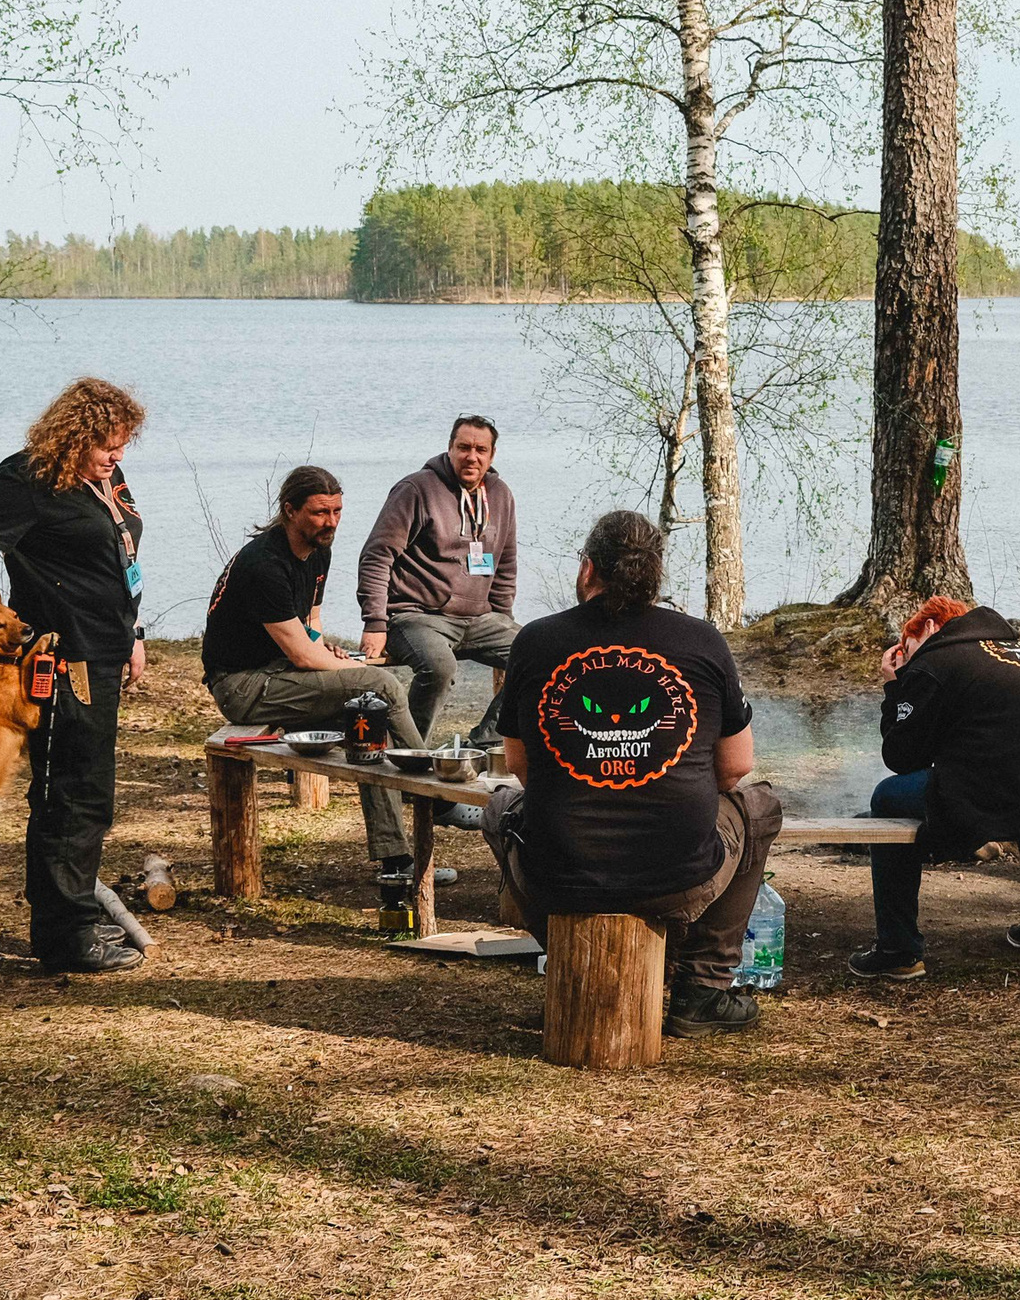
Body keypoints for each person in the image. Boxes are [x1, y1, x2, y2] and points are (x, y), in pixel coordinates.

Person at [482, 510, 783, 1038]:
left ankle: (564, 950)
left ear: (588, 569)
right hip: (679, 879)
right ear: (655, 573)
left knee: (497, 810)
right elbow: (736, 768)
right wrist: (666, 786)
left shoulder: (536, 640)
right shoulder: (702, 640)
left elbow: (519, 766)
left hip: (558, 878)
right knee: (758, 806)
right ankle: (703, 988)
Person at [0, 377, 149, 975]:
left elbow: (121, 554)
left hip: (106, 649)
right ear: (75, 433)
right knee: (70, 791)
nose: (118, 455)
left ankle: (77, 910)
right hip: (60, 660)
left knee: (93, 790)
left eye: (124, 444)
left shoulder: (105, 478)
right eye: (108, 443)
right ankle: (64, 936)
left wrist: (133, 632)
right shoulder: (28, 478)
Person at [846, 598, 1020, 981]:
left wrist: (894, 686)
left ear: (929, 628)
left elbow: (901, 756)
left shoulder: (936, 660)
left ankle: (898, 948)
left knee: (887, 798)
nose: (906, 659)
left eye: (906, 648)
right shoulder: (1018, 649)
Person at [202, 466, 437, 882]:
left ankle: (396, 860)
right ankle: (430, 784)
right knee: (379, 684)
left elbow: (308, 622)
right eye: (319, 513)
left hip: (279, 670)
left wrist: (320, 641)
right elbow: (303, 657)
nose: (331, 522)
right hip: (242, 685)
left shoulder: (317, 551)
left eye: (337, 511)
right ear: (290, 510)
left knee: (368, 724)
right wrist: (345, 664)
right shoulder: (264, 565)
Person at [358, 416, 520, 744]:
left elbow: (505, 564)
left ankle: (483, 745)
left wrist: (503, 617)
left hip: (478, 619)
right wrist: (375, 621)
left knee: (537, 655)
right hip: (416, 616)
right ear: (450, 448)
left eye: (480, 449)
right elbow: (377, 556)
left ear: (492, 455)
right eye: (463, 447)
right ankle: (410, 754)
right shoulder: (417, 489)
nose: (471, 456)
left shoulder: (501, 495)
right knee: (440, 668)